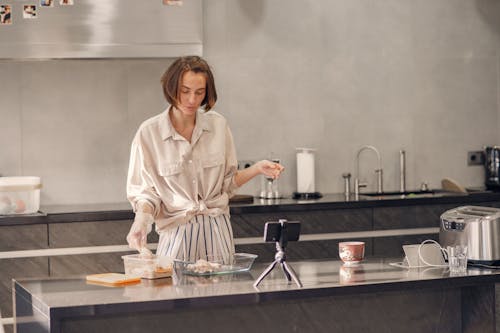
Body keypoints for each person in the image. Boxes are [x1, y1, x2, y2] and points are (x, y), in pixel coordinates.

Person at [126, 56, 284, 263]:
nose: (192, 100)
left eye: (199, 92)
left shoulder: (218, 126)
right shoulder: (149, 133)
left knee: (223, 293)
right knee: (174, 293)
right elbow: (146, 194)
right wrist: (141, 222)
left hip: (217, 231)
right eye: (185, 91)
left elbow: (227, 184)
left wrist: (256, 168)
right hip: (176, 235)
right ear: (171, 88)